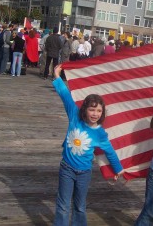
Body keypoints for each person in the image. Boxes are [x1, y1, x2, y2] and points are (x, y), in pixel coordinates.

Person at [52, 64, 124, 225]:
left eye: (99, 111)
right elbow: (65, 95)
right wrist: (57, 75)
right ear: (85, 110)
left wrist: (118, 168)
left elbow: (110, 152)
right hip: (67, 168)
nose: (95, 114)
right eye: (92, 110)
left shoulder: (100, 133)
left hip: (84, 172)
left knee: (80, 206)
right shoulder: (75, 116)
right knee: (63, 205)